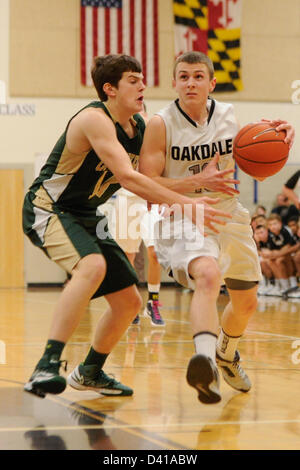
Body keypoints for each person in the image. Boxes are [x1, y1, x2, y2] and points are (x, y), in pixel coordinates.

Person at [22, 54, 235, 399]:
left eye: (142, 79)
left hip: (86, 213)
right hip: (48, 207)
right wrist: (187, 203)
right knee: (92, 266)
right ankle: (46, 364)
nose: (142, 86)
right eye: (133, 80)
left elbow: (156, 179)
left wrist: (201, 178)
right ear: (110, 89)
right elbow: (128, 178)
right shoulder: (94, 119)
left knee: (128, 302)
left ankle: (90, 370)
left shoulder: (142, 127)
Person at [138, 51, 295, 404]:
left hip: (226, 211)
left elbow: (253, 151)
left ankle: (226, 355)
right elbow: (147, 183)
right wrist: (199, 181)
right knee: (208, 276)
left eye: (197, 76)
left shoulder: (227, 115)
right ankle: (205, 362)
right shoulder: (160, 124)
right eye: (183, 76)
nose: (190, 82)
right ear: (174, 82)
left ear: (211, 83)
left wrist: (279, 133)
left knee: (247, 303)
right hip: (181, 214)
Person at [114, 187, 165, 326]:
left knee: (155, 252)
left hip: (152, 197)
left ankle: (152, 302)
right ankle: (130, 304)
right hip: (127, 197)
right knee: (128, 256)